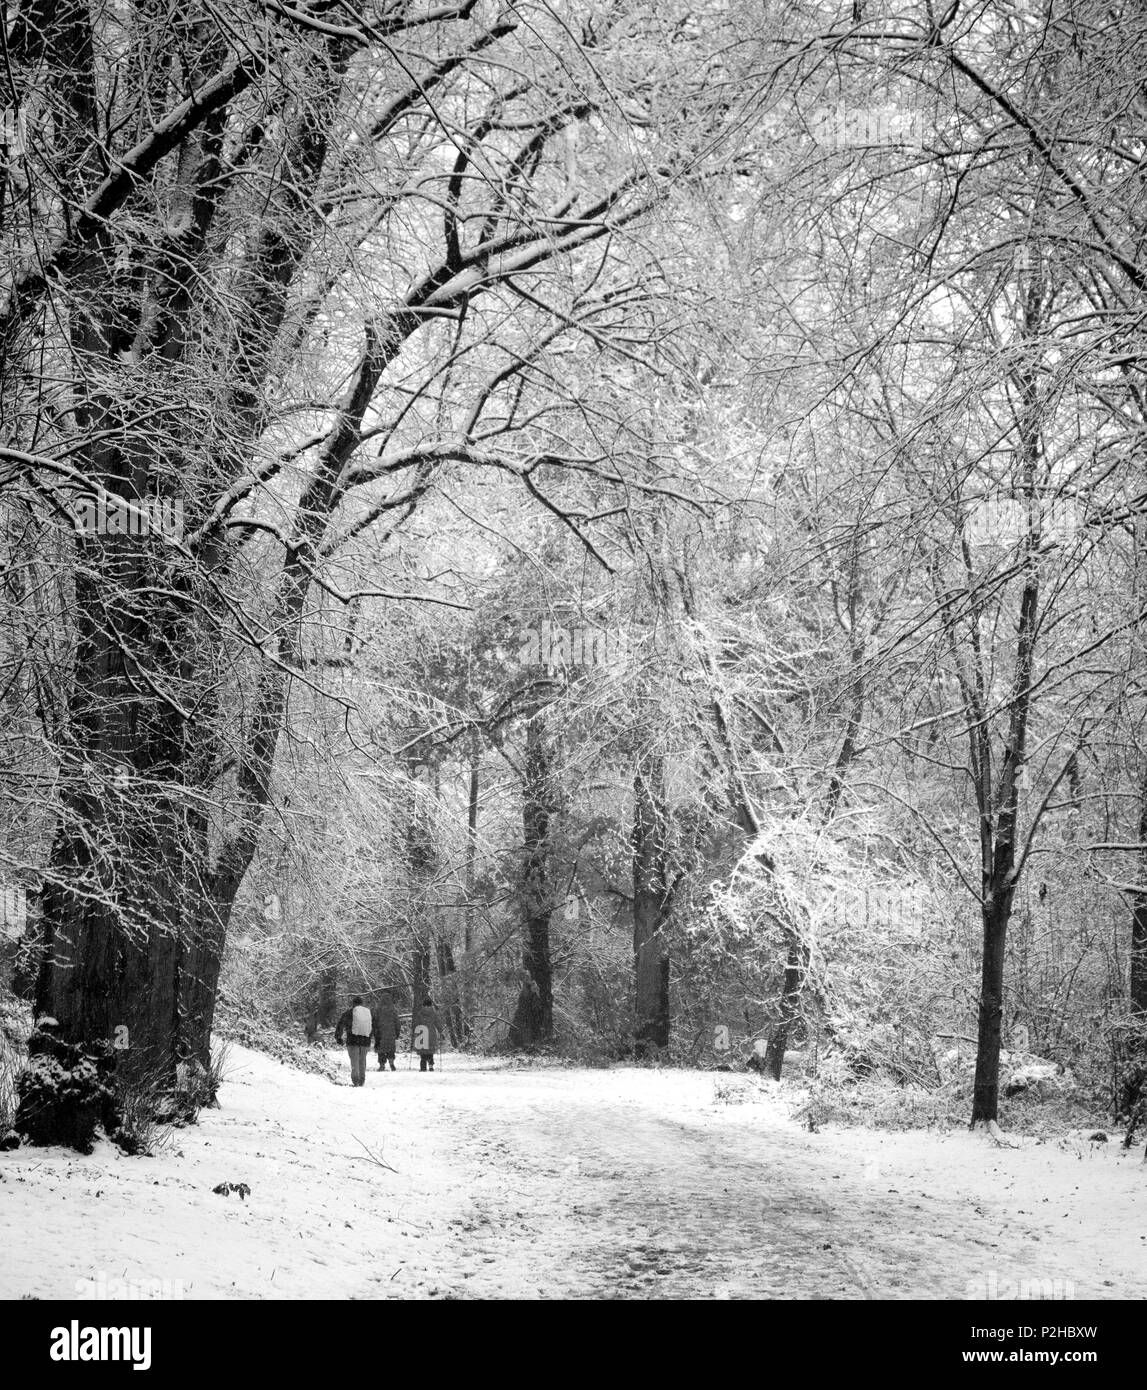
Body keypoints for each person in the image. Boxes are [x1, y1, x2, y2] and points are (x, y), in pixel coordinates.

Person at [334, 996, 376, 1086]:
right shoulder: (368, 1014)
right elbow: (373, 1027)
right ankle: (361, 1080)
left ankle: (356, 1080)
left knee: (355, 1061)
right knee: (362, 1061)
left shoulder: (349, 1013)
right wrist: (370, 1037)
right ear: (362, 1003)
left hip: (352, 1041)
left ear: (353, 1004)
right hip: (365, 1042)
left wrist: (338, 1037)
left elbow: (340, 1025)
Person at [411, 996, 442, 1073]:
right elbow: (438, 1023)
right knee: (430, 1051)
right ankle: (431, 1065)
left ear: (423, 1005)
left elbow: (416, 1024)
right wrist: (440, 1030)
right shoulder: (433, 1014)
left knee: (423, 1051)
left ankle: (423, 1066)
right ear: (431, 1005)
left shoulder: (420, 1013)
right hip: (431, 1034)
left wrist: (414, 1031)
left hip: (422, 1033)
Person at [375, 989, 401, 1072]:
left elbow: (374, 1022)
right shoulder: (393, 1010)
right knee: (390, 1049)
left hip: (380, 1033)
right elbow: (397, 1023)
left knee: (381, 1050)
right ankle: (391, 1063)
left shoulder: (378, 1010)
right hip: (391, 1033)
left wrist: (374, 1032)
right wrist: (397, 1033)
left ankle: (382, 1065)